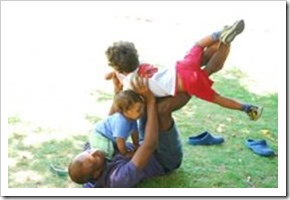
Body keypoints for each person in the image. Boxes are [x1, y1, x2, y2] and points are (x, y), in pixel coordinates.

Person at [105, 19, 263, 121]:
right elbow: (124, 71)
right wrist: (116, 72)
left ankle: (247, 108)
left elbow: (123, 91)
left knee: (217, 98)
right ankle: (220, 36)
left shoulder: (132, 84)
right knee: (198, 46)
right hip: (181, 67)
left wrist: (115, 76)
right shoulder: (141, 63)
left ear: (120, 69)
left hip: (188, 84)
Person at [68, 76, 191, 187]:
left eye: (89, 151)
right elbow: (149, 145)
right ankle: (197, 85)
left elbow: (111, 125)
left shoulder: (94, 153)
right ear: (96, 174)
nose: (93, 150)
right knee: (161, 109)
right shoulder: (117, 179)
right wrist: (151, 101)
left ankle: (193, 70)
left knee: (142, 102)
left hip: (142, 144)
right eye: (94, 158)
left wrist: (118, 91)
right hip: (163, 159)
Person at [89, 89, 144, 159]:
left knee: (115, 147)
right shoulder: (121, 123)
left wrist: (136, 145)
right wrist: (125, 153)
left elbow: (135, 133)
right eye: (138, 110)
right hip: (100, 136)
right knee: (109, 153)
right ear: (126, 111)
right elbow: (120, 140)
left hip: (109, 137)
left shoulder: (133, 119)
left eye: (142, 108)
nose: (142, 111)